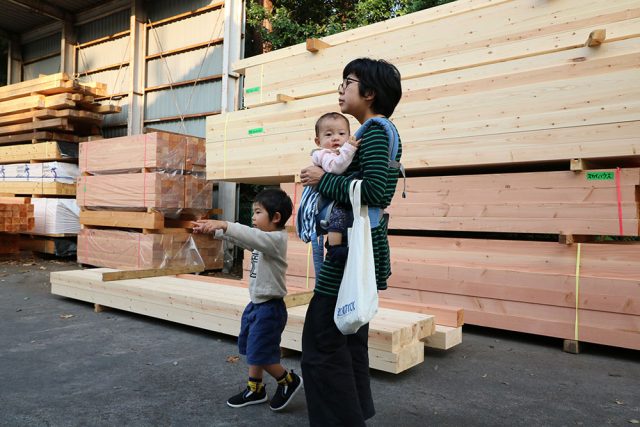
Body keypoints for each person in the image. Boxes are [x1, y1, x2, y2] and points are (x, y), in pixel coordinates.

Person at [299, 58, 403, 426]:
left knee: (322, 342)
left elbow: (375, 192)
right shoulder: (370, 132)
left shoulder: (374, 132)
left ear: (370, 92)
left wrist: (321, 179)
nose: (341, 89)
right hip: (358, 249)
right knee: (349, 336)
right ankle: (356, 414)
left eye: (348, 82)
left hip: (348, 252)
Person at [192, 188, 303, 412]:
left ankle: (288, 381)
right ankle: (256, 388)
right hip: (257, 305)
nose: (253, 217)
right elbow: (245, 240)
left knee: (261, 352)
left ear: (276, 217)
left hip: (270, 309)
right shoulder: (263, 241)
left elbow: (250, 236)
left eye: (258, 212)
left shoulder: (275, 240)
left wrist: (225, 224)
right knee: (254, 348)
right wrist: (215, 232)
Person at [300, 112, 360, 264]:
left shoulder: (339, 152)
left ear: (349, 136)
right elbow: (336, 168)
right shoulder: (322, 154)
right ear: (318, 141)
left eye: (341, 133)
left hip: (334, 193)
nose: (335, 138)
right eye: (328, 134)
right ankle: (334, 248)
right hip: (324, 199)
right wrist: (350, 148)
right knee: (338, 215)